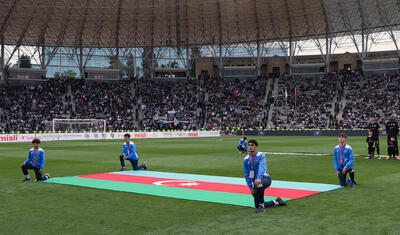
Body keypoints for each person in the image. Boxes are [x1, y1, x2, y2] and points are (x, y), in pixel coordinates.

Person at [243, 139, 286, 213]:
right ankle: (277, 202)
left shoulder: (261, 155)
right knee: (257, 204)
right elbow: (247, 174)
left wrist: (259, 178)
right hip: (256, 183)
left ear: (256, 147)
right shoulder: (246, 159)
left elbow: (262, 167)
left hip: (265, 178)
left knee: (259, 185)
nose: (250, 147)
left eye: (252, 145)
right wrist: (251, 187)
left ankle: (262, 208)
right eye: (249, 145)